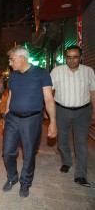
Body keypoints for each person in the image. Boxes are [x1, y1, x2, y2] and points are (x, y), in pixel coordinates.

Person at [2, 45, 57, 197]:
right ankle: (12, 178)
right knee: (7, 151)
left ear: (22, 58)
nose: (10, 63)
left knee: (29, 153)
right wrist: (5, 118)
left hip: (31, 120)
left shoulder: (41, 73)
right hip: (12, 118)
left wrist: (53, 121)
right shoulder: (13, 76)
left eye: (12, 60)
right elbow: (10, 97)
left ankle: (25, 182)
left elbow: (48, 99)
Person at [50, 45, 95, 187]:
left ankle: (80, 175)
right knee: (62, 140)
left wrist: (94, 110)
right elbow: (49, 92)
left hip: (83, 112)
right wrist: (49, 111)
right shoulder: (57, 71)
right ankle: (66, 162)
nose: (72, 60)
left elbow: (93, 92)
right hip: (61, 110)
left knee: (81, 143)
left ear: (81, 57)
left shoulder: (88, 72)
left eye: (75, 57)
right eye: (69, 57)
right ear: (66, 58)